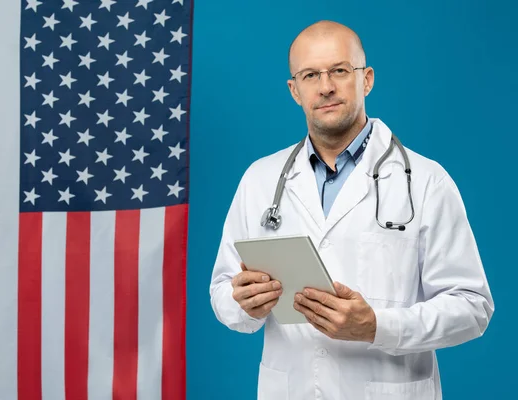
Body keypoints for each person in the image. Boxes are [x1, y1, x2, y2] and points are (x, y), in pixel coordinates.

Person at [208, 20, 494, 400]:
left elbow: (473, 307)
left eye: (340, 71)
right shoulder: (260, 180)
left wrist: (377, 326)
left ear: (367, 79)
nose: (325, 86)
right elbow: (223, 293)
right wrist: (243, 304)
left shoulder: (426, 181)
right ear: (295, 91)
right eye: (310, 75)